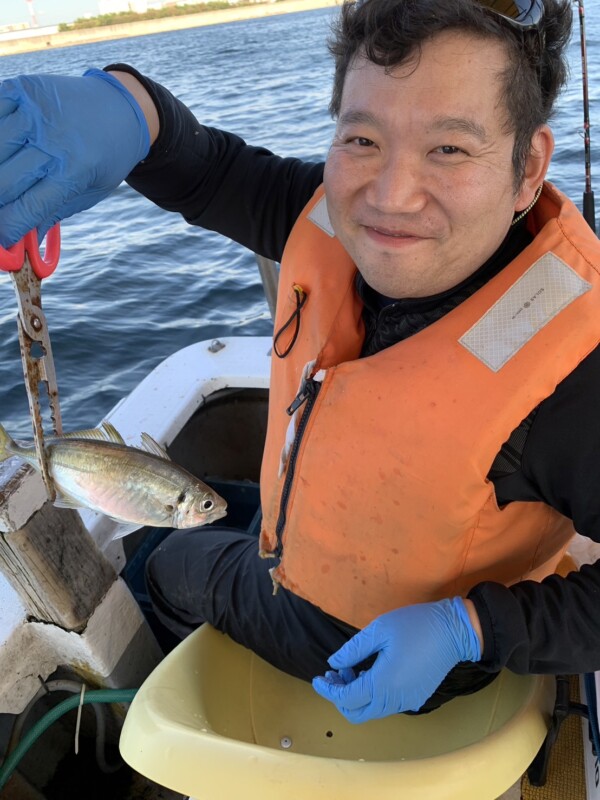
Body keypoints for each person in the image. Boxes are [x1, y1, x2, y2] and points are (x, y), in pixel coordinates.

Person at [0, 0, 598, 724]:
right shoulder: (331, 216)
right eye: (362, 138)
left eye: (449, 149)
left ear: (528, 164)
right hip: (331, 544)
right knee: (198, 508)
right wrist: (131, 107)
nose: (389, 196)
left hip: (374, 641)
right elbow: (208, 168)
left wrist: (471, 630)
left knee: (160, 560)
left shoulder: (575, 370)